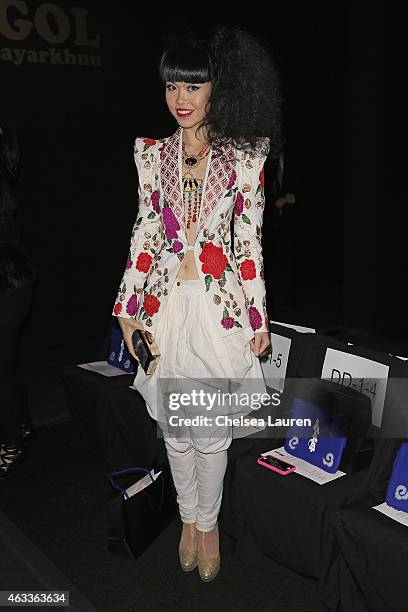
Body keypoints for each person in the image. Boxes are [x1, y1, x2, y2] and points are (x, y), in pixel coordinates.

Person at [112, 26, 282, 581]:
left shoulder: (243, 158)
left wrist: (257, 317)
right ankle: (186, 517)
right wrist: (126, 306)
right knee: (175, 429)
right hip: (165, 310)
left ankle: (206, 524)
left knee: (208, 432)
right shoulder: (150, 154)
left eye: (193, 86)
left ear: (216, 88)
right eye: (171, 87)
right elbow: (144, 235)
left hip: (217, 313)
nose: (180, 100)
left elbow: (249, 243)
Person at [0, 120, 36, 478]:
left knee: (2, 367)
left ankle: (10, 443)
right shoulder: (11, 176)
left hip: (8, 285)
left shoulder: (7, 183)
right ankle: (20, 428)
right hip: (15, 284)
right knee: (7, 363)